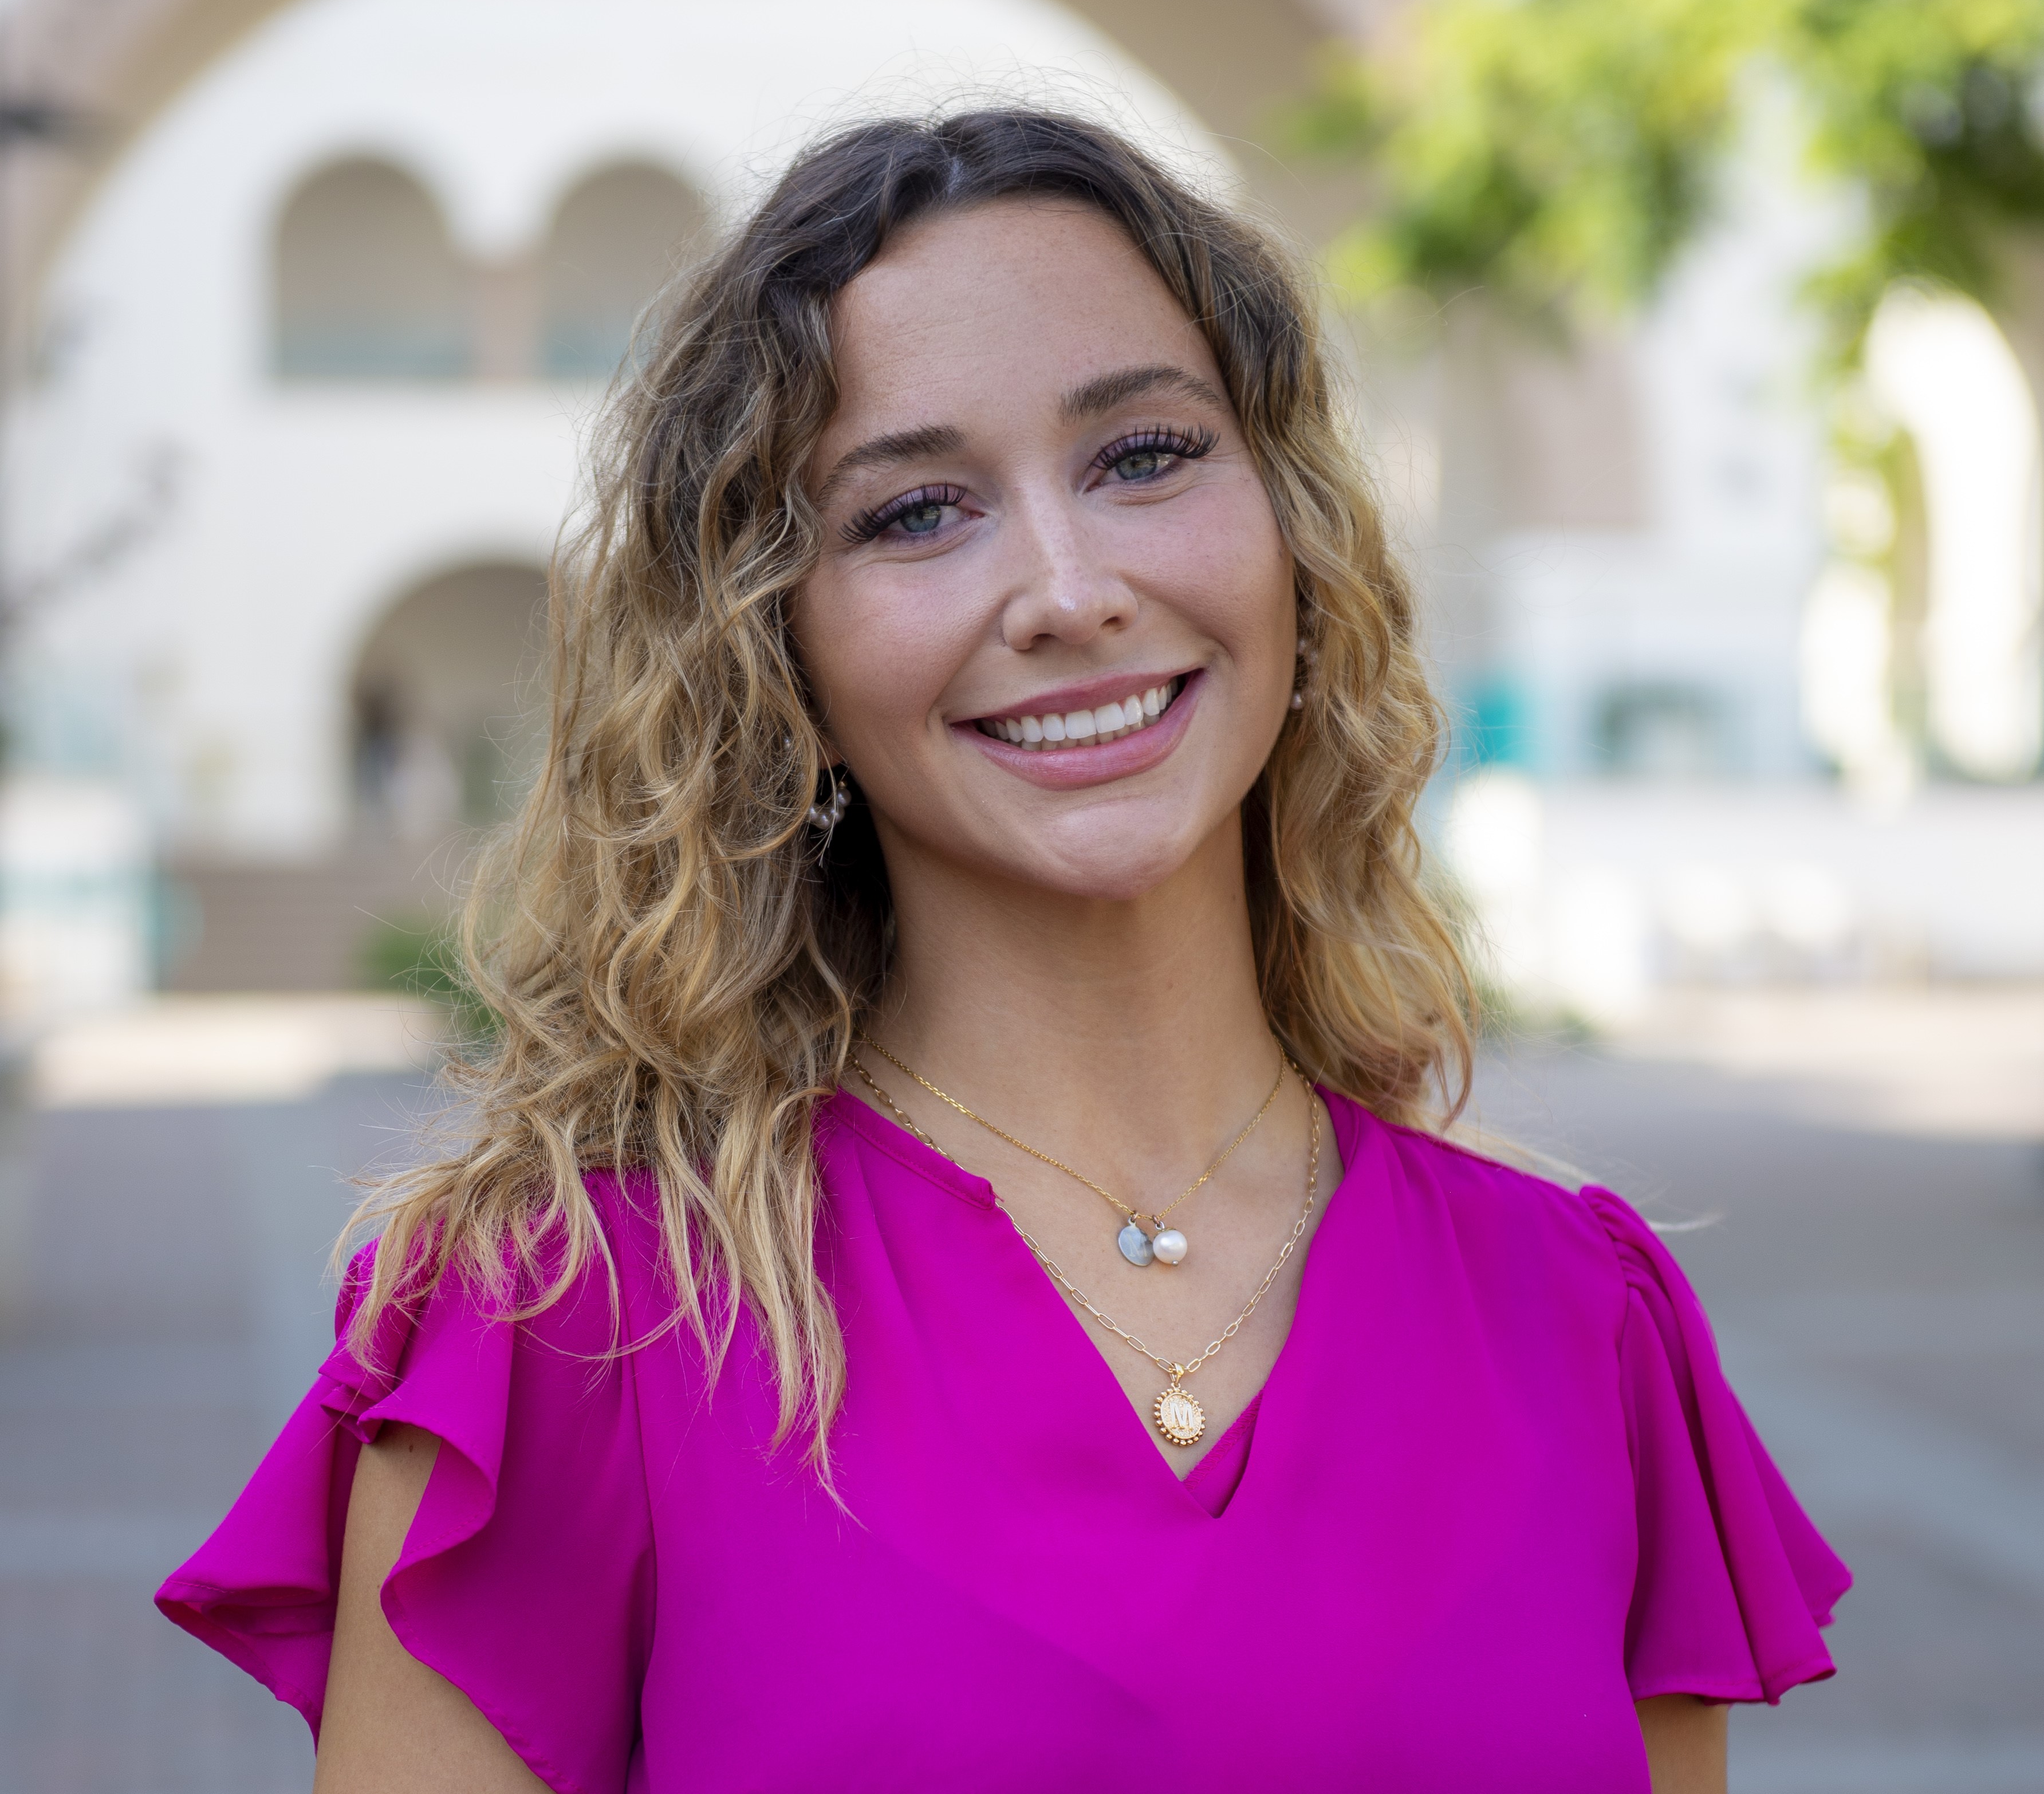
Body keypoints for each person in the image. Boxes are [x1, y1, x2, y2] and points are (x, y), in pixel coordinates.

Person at [159, 108, 1848, 1793]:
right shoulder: (571, 1331)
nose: (1067, 585)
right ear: (774, 656)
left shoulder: (1575, 1316)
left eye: (1142, 457)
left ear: (1294, 538)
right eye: (913, 513)